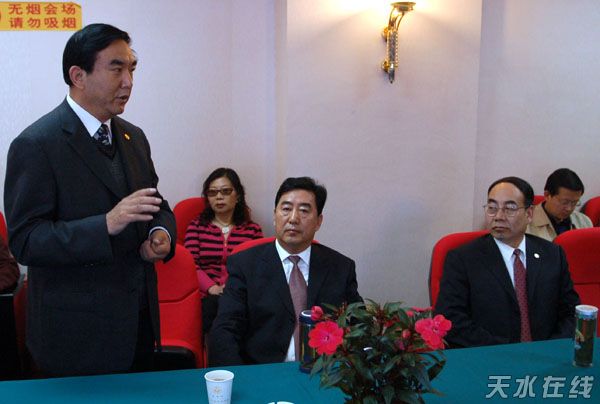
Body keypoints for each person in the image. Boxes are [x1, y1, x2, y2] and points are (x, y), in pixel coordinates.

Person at [3, 23, 175, 376]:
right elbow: (26, 241)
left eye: (132, 69)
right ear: (78, 76)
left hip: (138, 325)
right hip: (75, 338)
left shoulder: (133, 137)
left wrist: (160, 234)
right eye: (116, 68)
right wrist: (105, 225)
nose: (128, 81)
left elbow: (155, 204)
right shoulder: (37, 144)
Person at [209, 177, 362, 366]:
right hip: (263, 372)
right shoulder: (245, 265)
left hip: (324, 374)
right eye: (286, 209)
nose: (293, 218)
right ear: (275, 216)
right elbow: (225, 329)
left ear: (318, 221)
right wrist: (240, 378)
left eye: (304, 210)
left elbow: (359, 325)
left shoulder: (341, 267)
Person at [434, 176, 579, 348]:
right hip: (490, 355)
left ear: (529, 214)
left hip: (547, 355)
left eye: (509, 209)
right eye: (492, 208)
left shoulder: (553, 254)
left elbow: (571, 312)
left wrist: (549, 349)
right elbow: (451, 320)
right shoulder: (463, 259)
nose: (498, 216)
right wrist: (509, 352)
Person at [184, 167, 263, 335]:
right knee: (214, 308)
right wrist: (212, 288)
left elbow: (256, 269)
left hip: (240, 294)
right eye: (212, 193)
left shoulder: (252, 230)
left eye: (226, 191)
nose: (219, 197)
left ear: (238, 195)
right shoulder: (196, 227)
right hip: (205, 297)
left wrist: (232, 288)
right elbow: (190, 266)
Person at [527, 168, 592, 241]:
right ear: (547, 195)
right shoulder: (526, 223)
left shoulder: (584, 221)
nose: (569, 208)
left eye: (574, 202)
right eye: (565, 202)